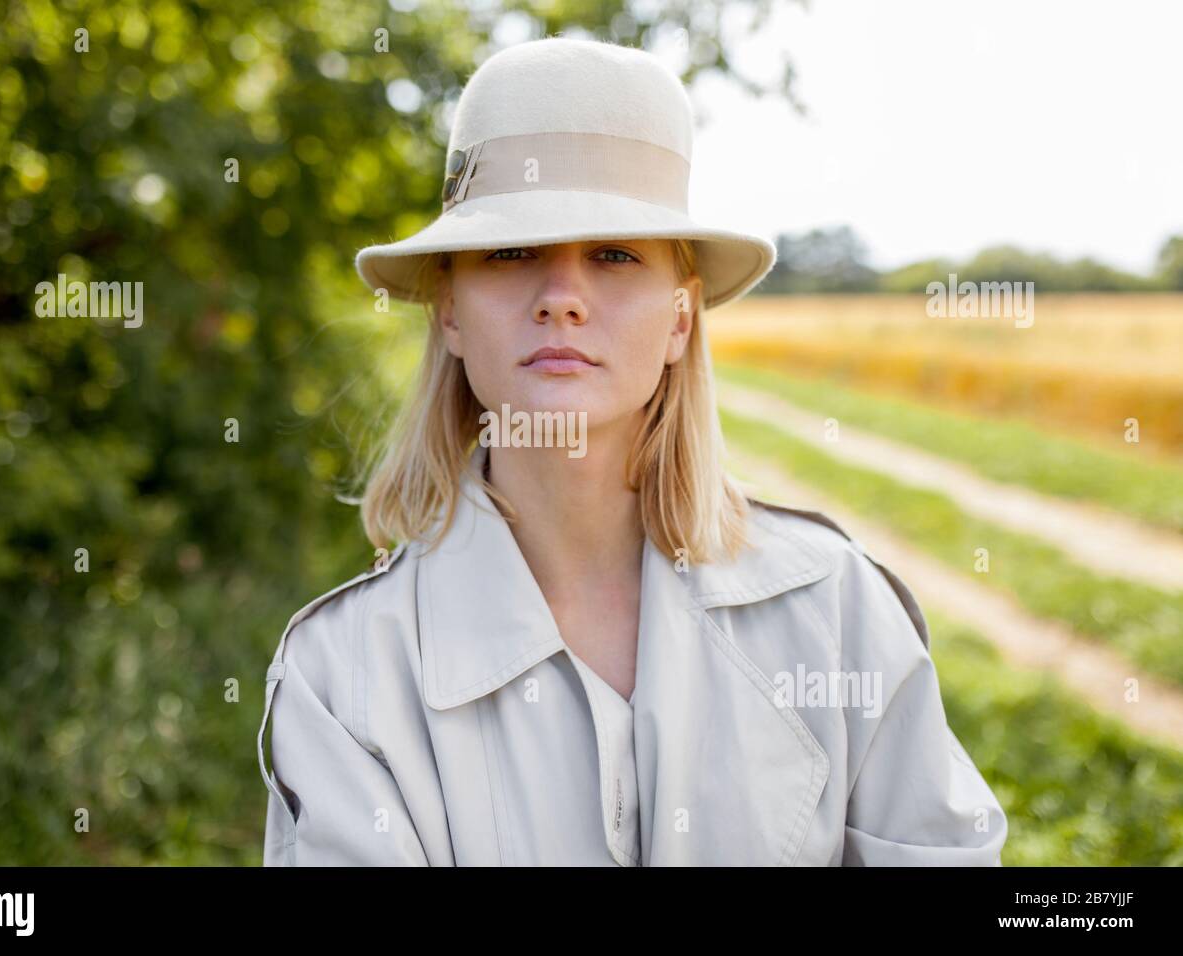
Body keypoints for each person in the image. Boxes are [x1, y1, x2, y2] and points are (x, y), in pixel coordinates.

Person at [258, 36, 1008, 866]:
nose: (562, 299)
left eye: (614, 254)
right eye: (512, 252)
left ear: (681, 319)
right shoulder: (342, 675)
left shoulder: (835, 608)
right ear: (450, 311)